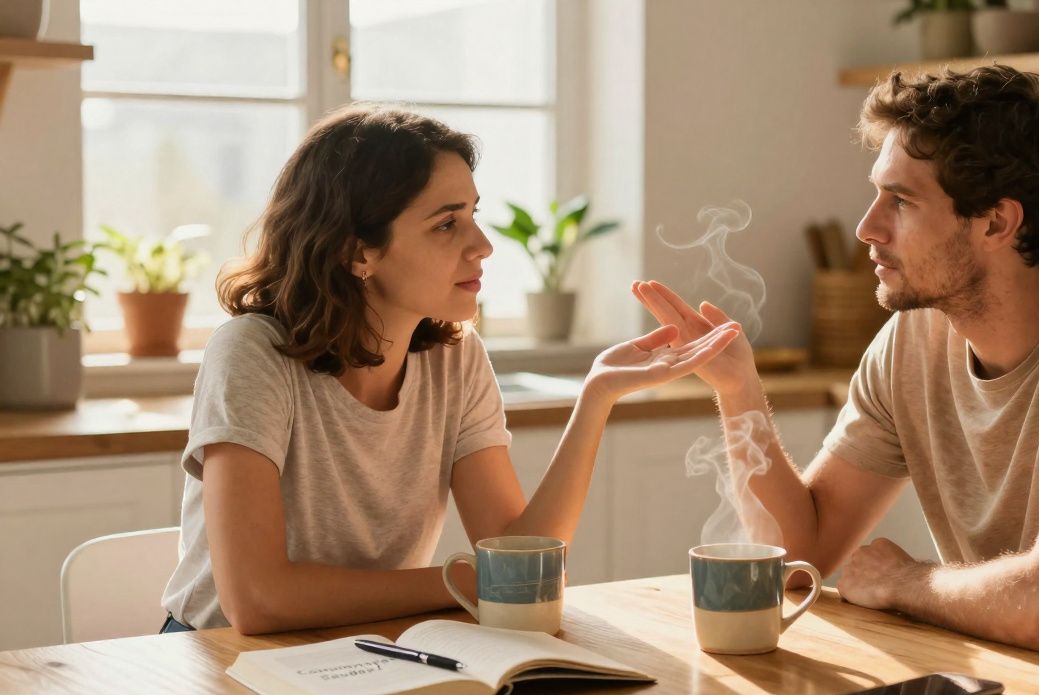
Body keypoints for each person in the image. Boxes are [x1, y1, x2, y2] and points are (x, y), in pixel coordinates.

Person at [632, 64, 1039, 680]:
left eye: (900, 201)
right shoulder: (912, 340)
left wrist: (904, 581)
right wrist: (738, 388)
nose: (865, 227)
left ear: (997, 220)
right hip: (1023, 691)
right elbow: (804, 557)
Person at [161, 105, 739, 635]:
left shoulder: (454, 356)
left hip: (368, 649)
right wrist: (459, 581)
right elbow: (258, 601)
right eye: (446, 224)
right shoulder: (253, 355)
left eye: (473, 215)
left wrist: (597, 398)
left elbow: (518, 556)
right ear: (357, 252)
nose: (482, 245)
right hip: (217, 661)